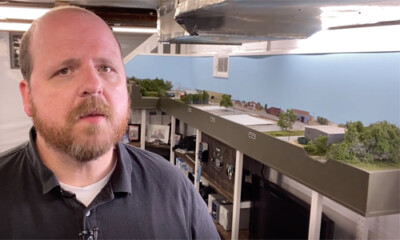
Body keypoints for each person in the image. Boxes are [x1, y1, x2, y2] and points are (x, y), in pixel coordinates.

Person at [0, 6, 220, 239]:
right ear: (28, 97)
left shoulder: (174, 190)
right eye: (64, 70)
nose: (94, 85)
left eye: (106, 68)